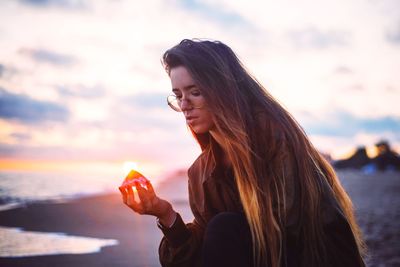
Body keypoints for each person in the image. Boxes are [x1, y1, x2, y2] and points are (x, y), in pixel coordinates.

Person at [119, 39, 367, 267]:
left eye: (195, 92)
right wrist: (165, 213)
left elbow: (292, 232)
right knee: (222, 230)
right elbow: (204, 256)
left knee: (224, 228)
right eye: (178, 95)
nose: (184, 105)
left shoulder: (272, 136)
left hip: (315, 258)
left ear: (222, 90)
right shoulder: (200, 171)